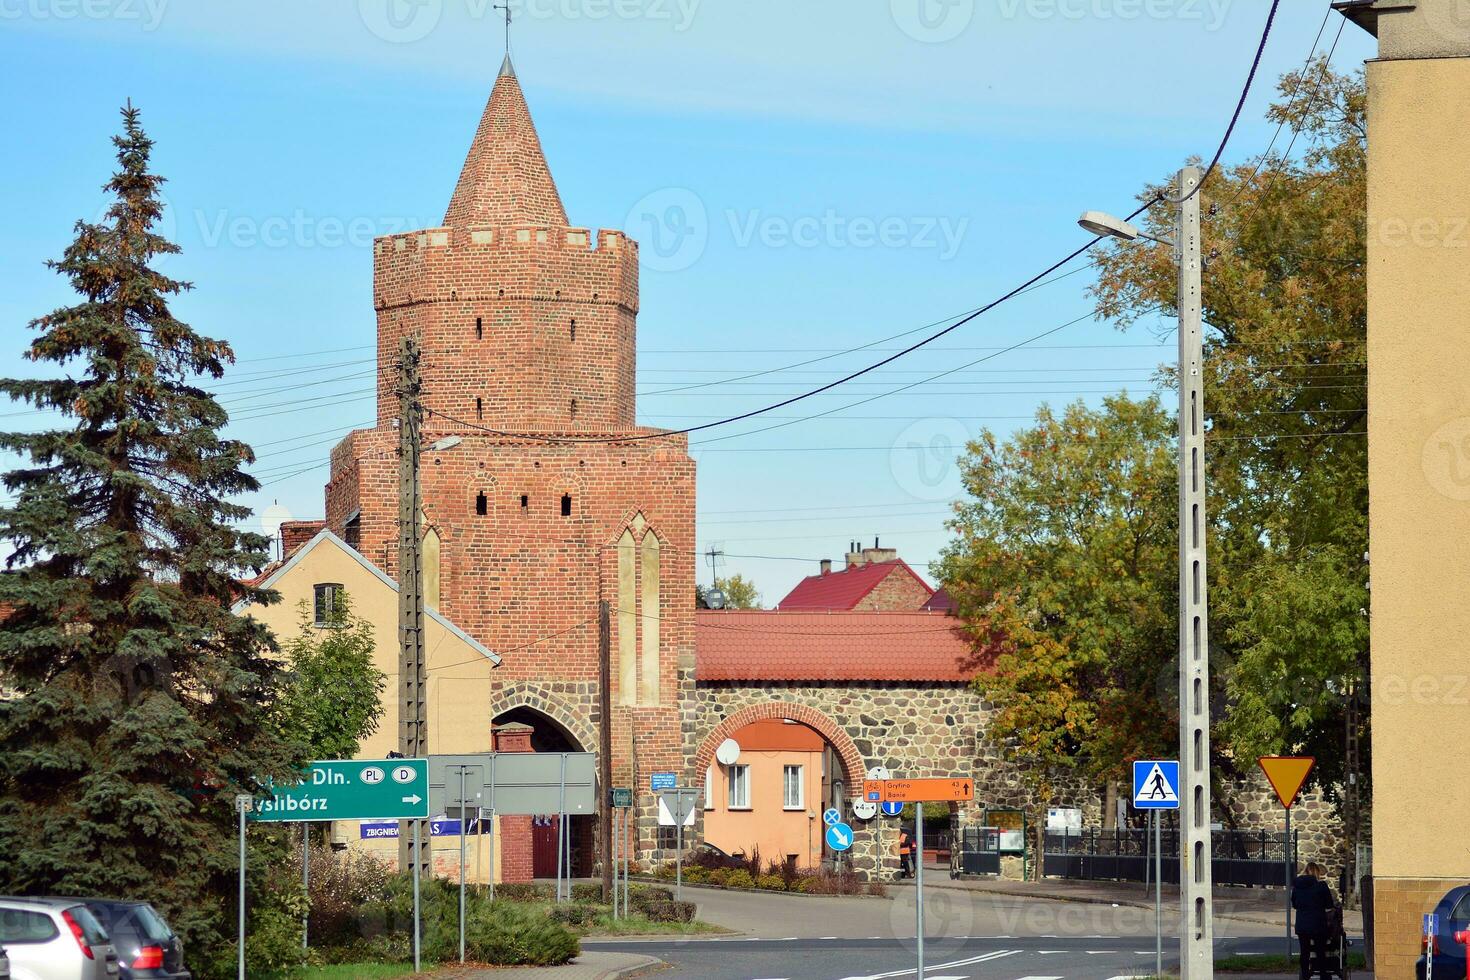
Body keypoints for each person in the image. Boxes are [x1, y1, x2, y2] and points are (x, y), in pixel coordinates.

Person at [1292, 861, 1337, 980]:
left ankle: (1305, 975)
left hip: (1302, 924)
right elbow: (1329, 904)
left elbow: (1295, 904)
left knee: (1304, 952)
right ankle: (1323, 974)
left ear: (1305, 871)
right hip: (1317, 923)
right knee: (1320, 950)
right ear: (1317, 872)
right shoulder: (1321, 886)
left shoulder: (1297, 886)